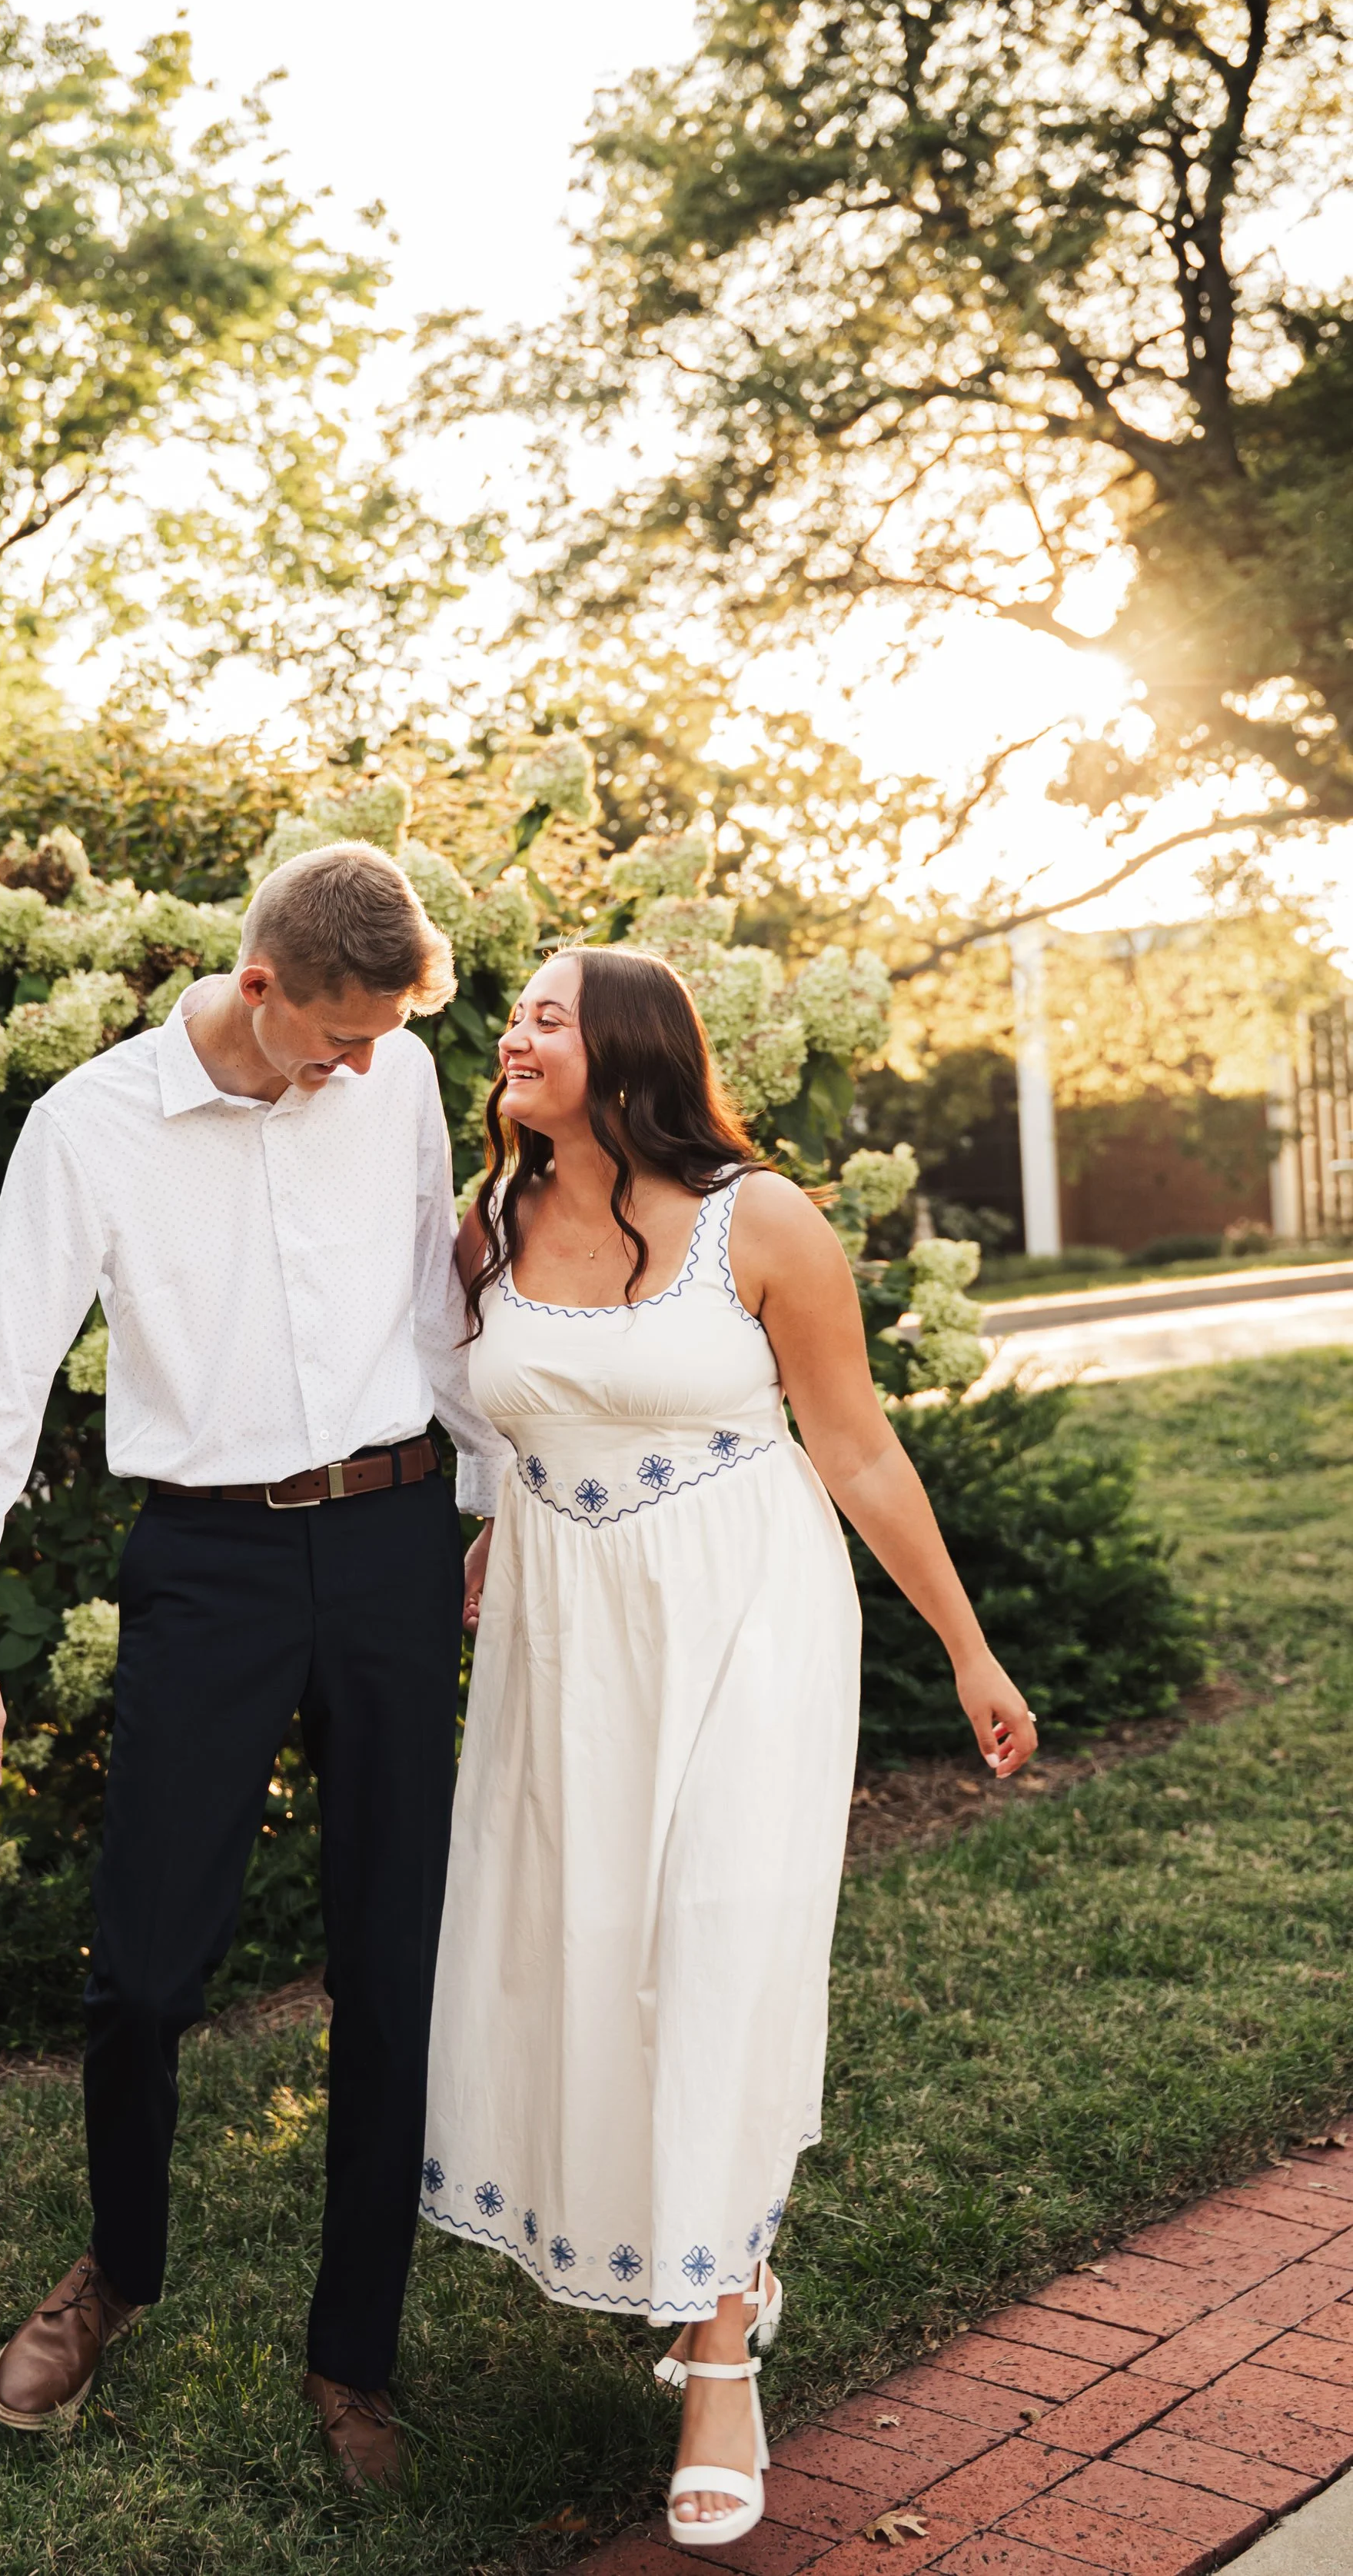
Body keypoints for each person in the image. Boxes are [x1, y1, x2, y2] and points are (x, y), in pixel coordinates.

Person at [0, 842, 506, 2490]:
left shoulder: (396, 1073)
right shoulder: (87, 1125)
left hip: (385, 1542)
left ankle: (354, 2350)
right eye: (337, 1034)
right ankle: (121, 2265)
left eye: (387, 1036)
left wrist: (495, 1497)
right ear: (257, 984)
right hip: (211, 1561)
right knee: (147, 1971)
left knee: (393, 1965)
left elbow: (432, 1320)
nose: (364, 1065)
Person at [420, 947, 1037, 2551]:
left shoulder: (757, 1221)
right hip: (567, 1644)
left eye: (546, 1014)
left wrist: (964, 1644)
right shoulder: (481, 1226)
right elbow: (484, 1422)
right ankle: (697, 2242)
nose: (511, 1032)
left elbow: (853, 1441)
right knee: (596, 1954)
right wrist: (498, 1534)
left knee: (713, 1946)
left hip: (746, 1612)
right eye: (511, 1013)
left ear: (626, 1047)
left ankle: (714, 2347)